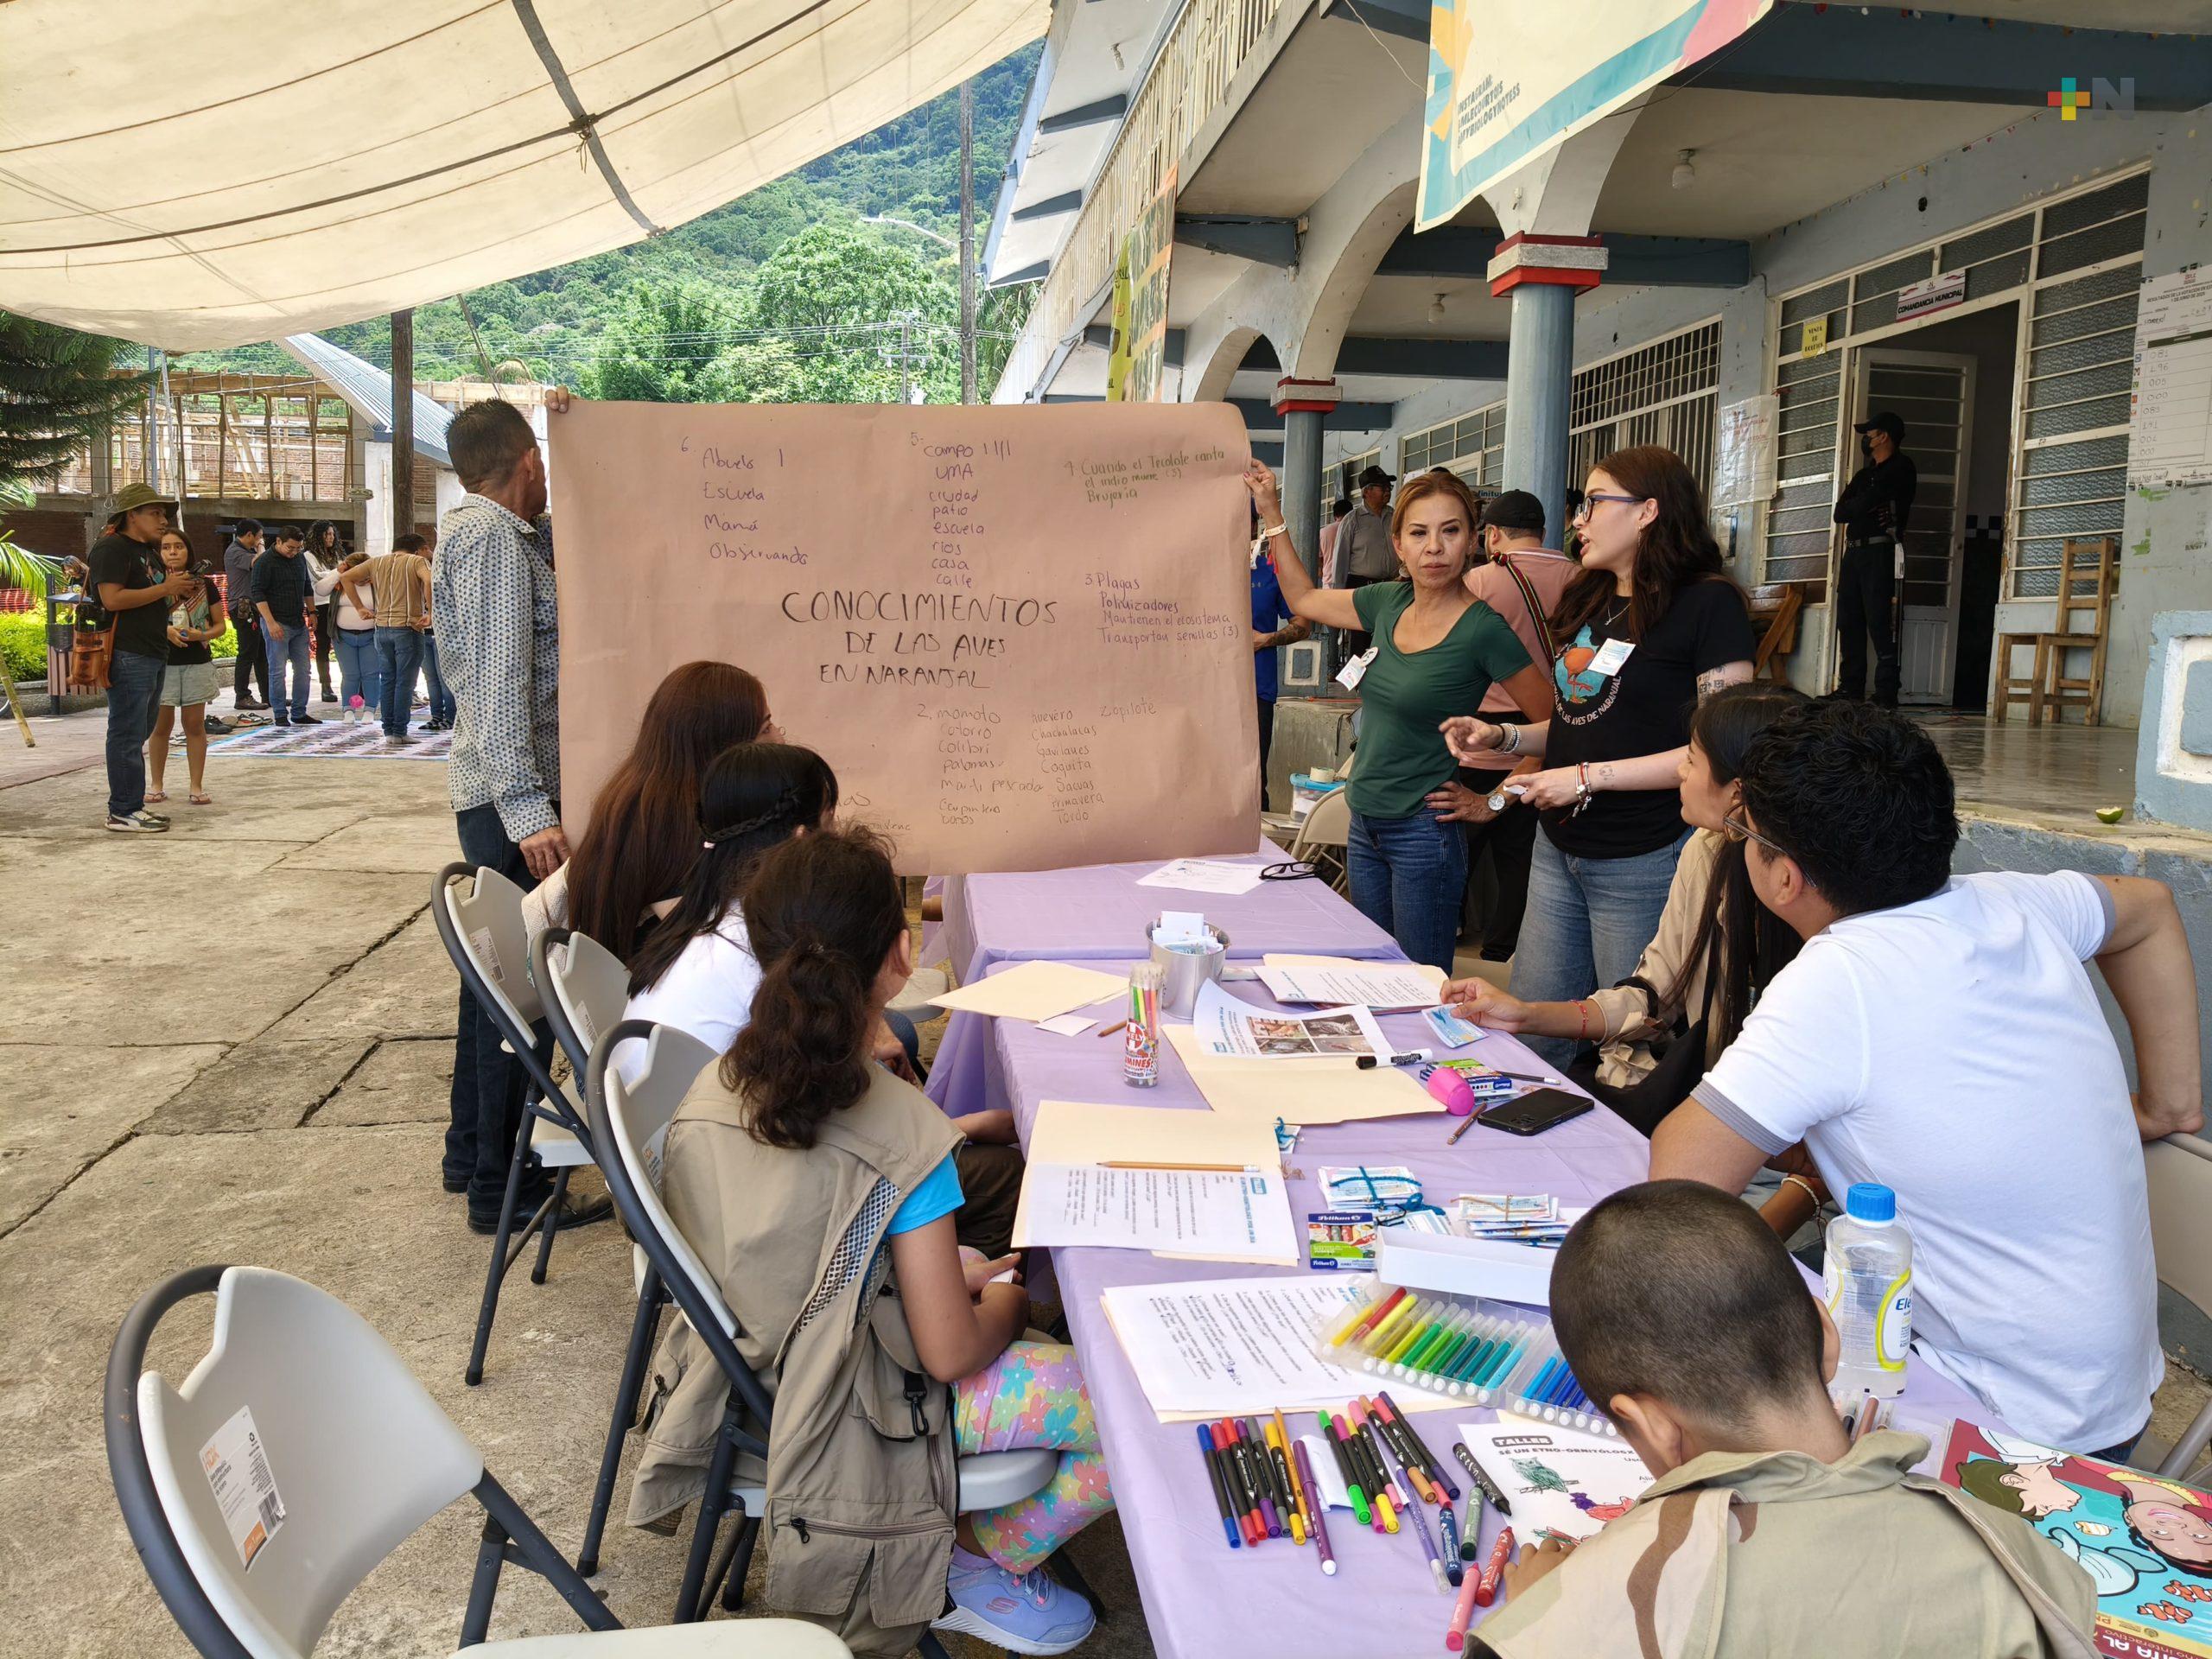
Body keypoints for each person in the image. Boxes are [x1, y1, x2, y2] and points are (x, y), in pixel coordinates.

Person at [1649, 700, 2204, 1458]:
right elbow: (2149, 907)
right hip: (2108, 1396)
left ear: (1784, 876)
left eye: (1745, 837)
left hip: (2001, 1429)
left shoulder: (1841, 978)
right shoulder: (2013, 901)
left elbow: (1678, 1184)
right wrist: (2172, 1101)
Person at [628, 827, 1109, 1657]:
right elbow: (950, 1355)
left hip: (738, 1373)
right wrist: (1004, 1299)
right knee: (1122, 1407)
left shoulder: (715, 1083)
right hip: (850, 1413)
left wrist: (924, 1273)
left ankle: (963, 1537)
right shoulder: (904, 1134)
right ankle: (968, 1561)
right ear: (900, 953)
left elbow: (797, 1232)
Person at [1466, 1180, 2097, 1659]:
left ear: (1652, 1423)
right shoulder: (2017, 1556)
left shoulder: (1588, 1612)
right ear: (1829, 1337)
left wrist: (1543, 1611)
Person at [623, 741, 1024, 1256]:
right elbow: (832, 1127)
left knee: (897, 1038)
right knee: (1001, 1176)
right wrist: (954, 1128)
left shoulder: (715, 912)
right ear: (799, 838)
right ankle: (914, 1286)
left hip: (680, 1156)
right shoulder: (773, 949)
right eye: (830, 821)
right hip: (734, 1193)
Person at [1444, 446, 1756, 1065]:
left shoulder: (1707, 605)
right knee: (1533, 1032)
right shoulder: (1591, 598)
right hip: (1559, 849)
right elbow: (1577, 723)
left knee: (1636, 1044)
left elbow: (1724, 750)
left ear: (1647, 512)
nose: (1577, 521)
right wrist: (1505, 738)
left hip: (1643, 855)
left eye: (1593, 503)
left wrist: (1588, 778)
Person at [1440, 683, 1806, 1135]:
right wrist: (1526, 1014)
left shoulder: (1813, 904)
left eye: (1691, 759)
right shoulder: (1708, 851)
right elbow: (1652, 997)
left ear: (1737, 793)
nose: (1680, 772)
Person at [1249, 462, 1553, 971]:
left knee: (1419, 986)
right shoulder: (1387, 602)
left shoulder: (1483, 629)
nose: (1434, 547)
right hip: (1363, 822)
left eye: (1450, 531)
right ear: (1399, 546)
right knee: (1374, 976)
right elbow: (1302, 598)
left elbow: (1560, 728)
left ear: (1473, 540)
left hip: (1423, 835)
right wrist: (1270, 510)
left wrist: (1496, 802)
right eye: (1419, 533)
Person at [432, 394, 606, 1235]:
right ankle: (505, 1188)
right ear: (525, 459)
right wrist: (531, 811)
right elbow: (501, 685)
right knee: (522, 998)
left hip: (498, 795)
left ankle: (472, 1156)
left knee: (490, 992)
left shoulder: (488, 535)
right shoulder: (493, 540)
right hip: (514, 802)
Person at [548, 658, 779, 963]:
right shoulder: (680, 832)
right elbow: (708, 952)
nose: (779, 738)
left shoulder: (643, 795)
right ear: (722, 745)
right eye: (765, 729)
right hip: (653, 989)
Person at [1444, 490, 1578, 963]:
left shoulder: (1479, 580)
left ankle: (1451, 928)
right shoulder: (1582, 579)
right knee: (1520, 852)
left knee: (1463, 841)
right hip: (1553, 732)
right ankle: (1503, 947)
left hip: (1483, 734)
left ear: (1493, 535)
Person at [91, 482, 194, 833]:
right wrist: (166, 588)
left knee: (140, 730)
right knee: (127, 733)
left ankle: (129, 807)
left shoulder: (148, 552)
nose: (163, 520)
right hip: (127, 652)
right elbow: (112, 600)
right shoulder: (112, 548)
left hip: (152, 650)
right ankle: (123, 809)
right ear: (130, 515)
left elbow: (153, 599)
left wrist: (175, 593)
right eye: (155, 513)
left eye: (164, 513)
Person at [1831, 410, 1916, 708]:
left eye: (1871, 433)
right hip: (1854, 551)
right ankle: (1850, 687)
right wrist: (1865, 505)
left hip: (1880, 551)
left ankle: (1885, 691)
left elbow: (1871, 500)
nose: (1867, 439)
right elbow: (1841, 512)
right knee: (1849, 619)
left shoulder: (1901, 467)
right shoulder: (1864, 474)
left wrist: (1864, 504)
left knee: (1880, 620)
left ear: (1885, 437)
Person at [145, 530, 222, 808]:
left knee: (194, 726)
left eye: (179, 546)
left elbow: (220, 627)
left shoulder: (205, 585)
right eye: (166, 547)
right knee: (160, 727)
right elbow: (139, 619)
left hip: (196, 663)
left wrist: (200, 635)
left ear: (188, 550)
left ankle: (196, 786)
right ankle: (155, 784)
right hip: (161, 663)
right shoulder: (151, 584)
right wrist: (164, 631)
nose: (173, 552)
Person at [341, 532, 430, 743]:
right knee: (405, 682)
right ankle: (400, 731)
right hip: (408, 627)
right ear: (417, 550)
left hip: (381, 629)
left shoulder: (376, 562)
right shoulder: (417, 561)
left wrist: (360, 608)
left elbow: (345, 577)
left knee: (388, 680)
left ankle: (389, 731)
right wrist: (430, 612)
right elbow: (429, 580)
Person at [1249, 536, 1310, 806]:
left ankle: (1257, 846)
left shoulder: (1269, 573)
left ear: (1253, 527)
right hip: (1206, 689)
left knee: (1252, 779)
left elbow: (1302, 623)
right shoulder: (1202, 571)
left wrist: (1267, 638)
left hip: (1257, 690)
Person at [250, 524, 321, 728]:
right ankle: (280, 713)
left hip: (298, 621)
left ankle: (299, 711)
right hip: (276, 621)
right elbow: (258, 593)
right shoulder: (264, 562)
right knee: (277, 670)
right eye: (290, 548)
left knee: (304, 668)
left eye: (298, 548)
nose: (294, 552)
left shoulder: (299, 558)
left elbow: (306, 585)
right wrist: (270, 623)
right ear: (278, 542)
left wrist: (312, 611)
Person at [1332, 464, 1397, 655]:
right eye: (1382, 487)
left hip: (1391, 585)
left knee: (1387, 635)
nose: (1387, 491)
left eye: (1389, 487)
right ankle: (1359, 683)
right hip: (1362, 587)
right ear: (1367, 491)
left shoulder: (1394, 516)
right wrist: (1339, 597)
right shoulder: (1353, 520)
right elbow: (1341, 560)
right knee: (1361, 639)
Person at [221, 518, 268, 710]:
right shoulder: (235, 552)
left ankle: (269, 694)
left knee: (261, 654)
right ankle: (242, 696)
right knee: (247, 653)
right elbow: (260, 563)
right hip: (243, 608)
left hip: (253, 607)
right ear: (249, 535)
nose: (259, 541)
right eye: (258, 537)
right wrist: (262, 546)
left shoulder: (245, 550)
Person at [329, 551, 381, 725]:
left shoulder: (376, 584)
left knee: (371, 674)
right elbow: (320, 589)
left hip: (369, 636)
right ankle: (349, 709)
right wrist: (338, 573)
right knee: (350, 675)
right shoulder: (341, 583)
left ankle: (370, 710)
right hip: (344, 636)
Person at [304, 520, 345, 705]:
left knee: (343, 643)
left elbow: (346, 572)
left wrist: (337, 573)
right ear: (318, 536)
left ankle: (352, 684)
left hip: (339, 602)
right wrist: (337, 572)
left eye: (332, 534)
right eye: (327, 534)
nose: (331, 537)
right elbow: (317, 575)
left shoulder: (337, 553)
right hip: (320, 604)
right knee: (323, 645)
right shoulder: (308, 555)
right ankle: (325, 686)